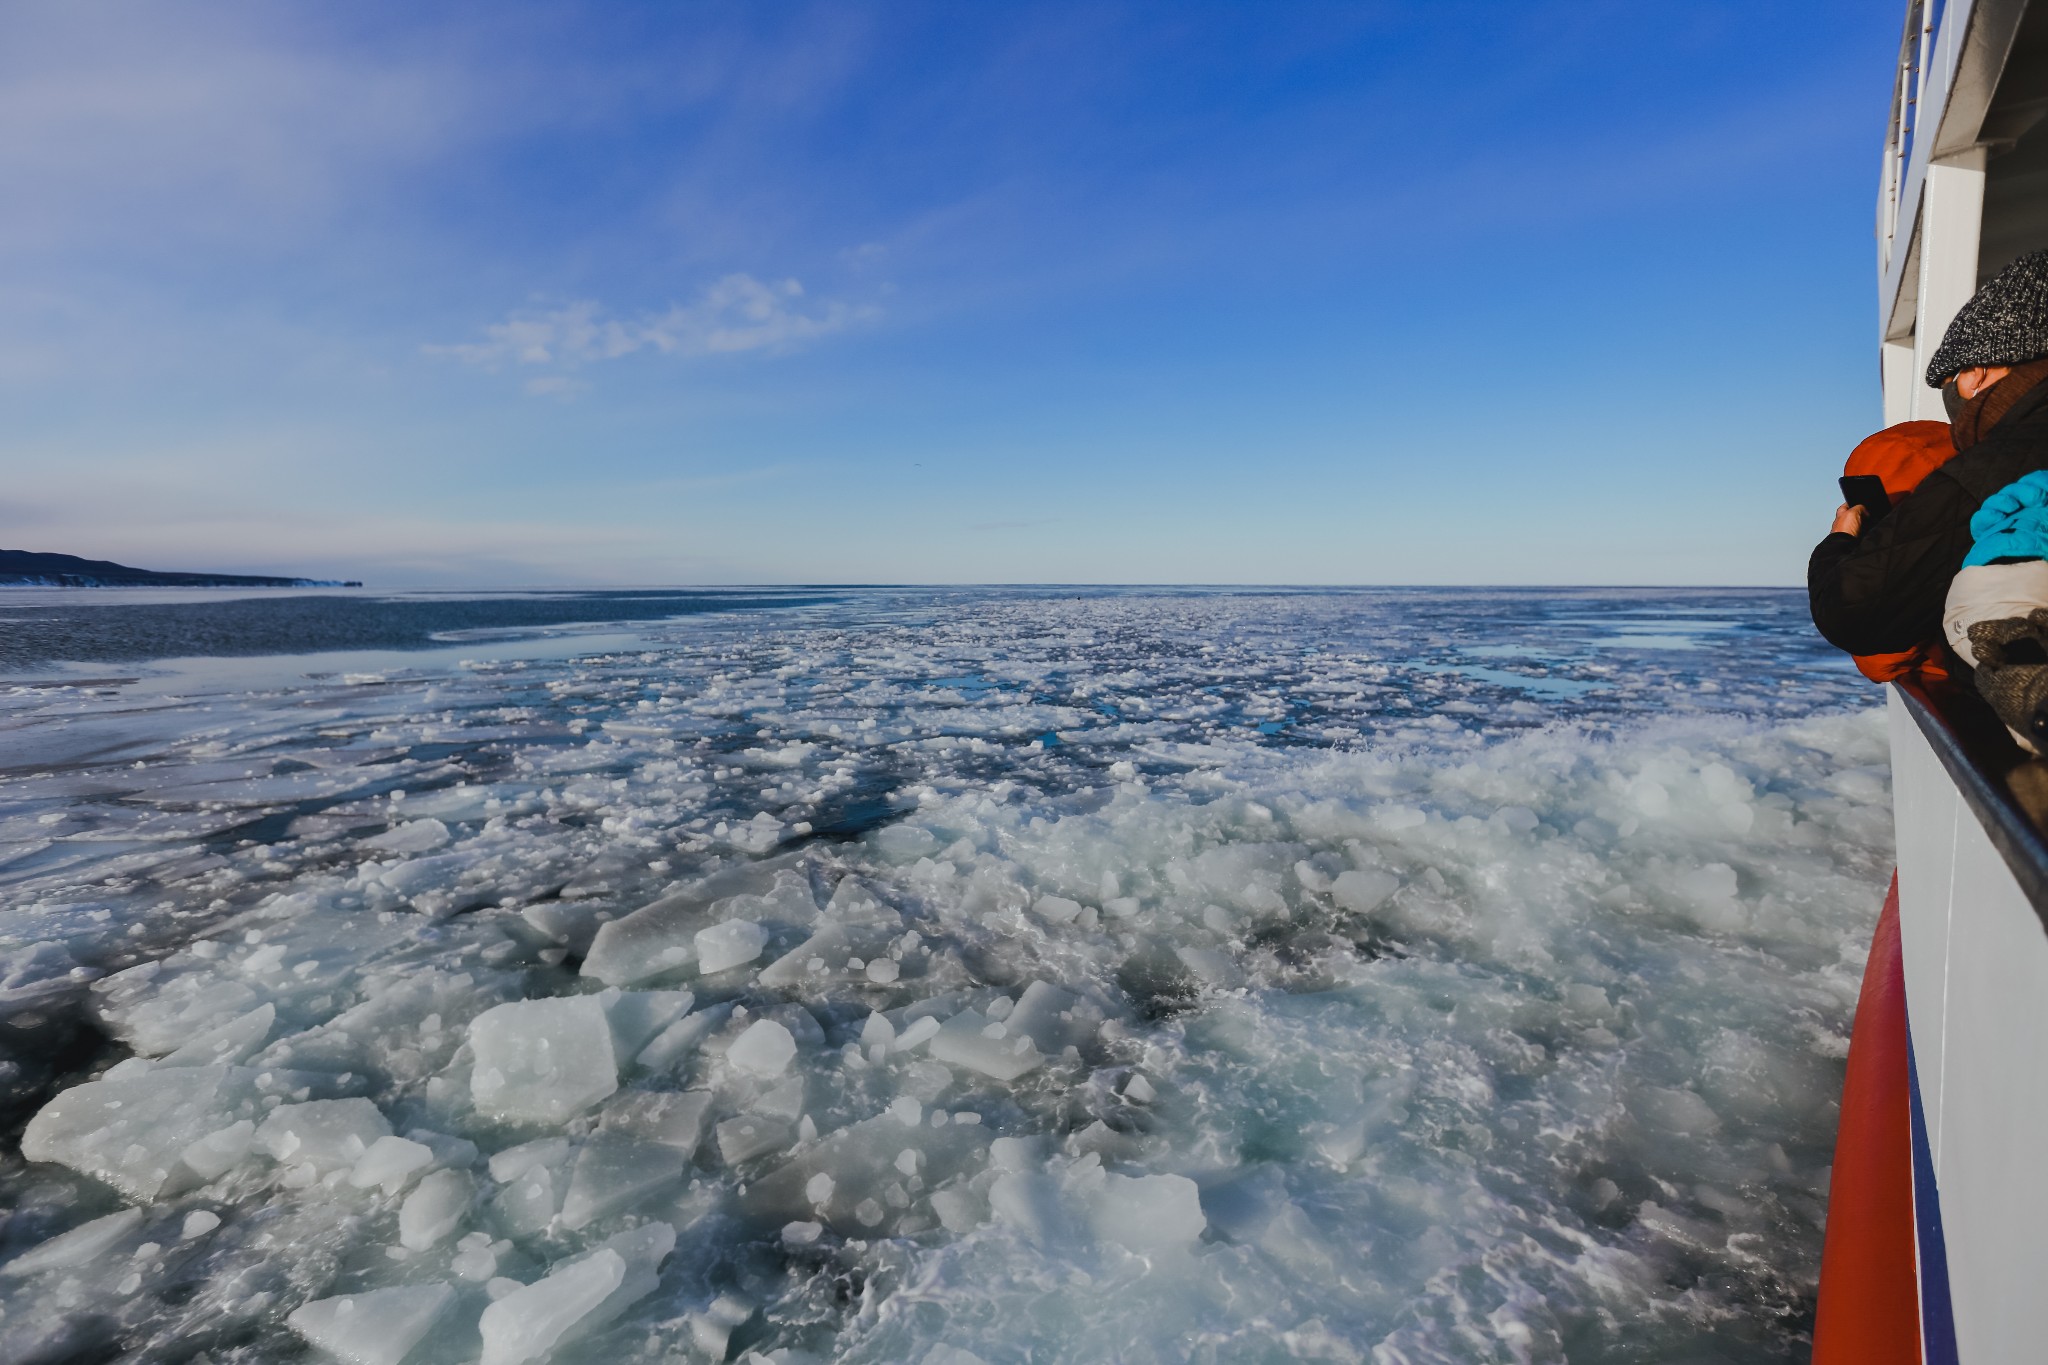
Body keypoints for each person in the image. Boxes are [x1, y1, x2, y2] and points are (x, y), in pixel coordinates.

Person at [1810, 248, 2048, 656]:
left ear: (1977, 373)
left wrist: (1840, 541)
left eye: (1948, 383)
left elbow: (1855, 612)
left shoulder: (1990, 468)